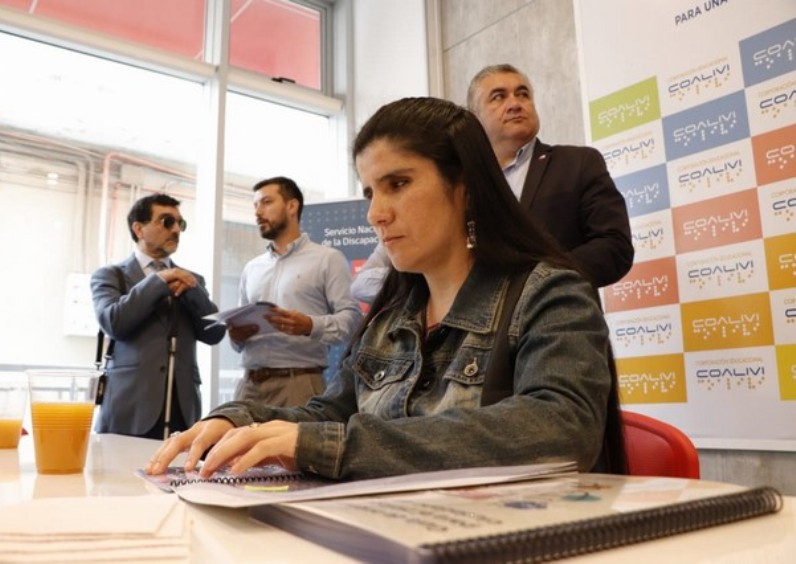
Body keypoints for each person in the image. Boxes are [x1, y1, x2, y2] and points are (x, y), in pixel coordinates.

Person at [146, 97, 626, 481]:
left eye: (398, 183)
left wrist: (327, 446)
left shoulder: (551, 294)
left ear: (467, 187)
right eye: (371, 192)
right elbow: (331, 410)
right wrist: (237, 420)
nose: (377, 213)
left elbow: (562, 428)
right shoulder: (393, 319)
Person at [351, 63, 633, 302]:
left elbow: (614, 247)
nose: (515, 103)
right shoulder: (453, 182)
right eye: (498, 97)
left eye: (523, 94)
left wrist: (528, 283)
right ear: (472, 118)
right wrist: (438, 285)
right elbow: (366, 280)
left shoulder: (577, 163)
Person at [91, 193, 226, 439]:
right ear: (139, 229)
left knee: (178, 476)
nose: (176, 229)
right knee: (121, 477)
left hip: (182, 406)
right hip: (130, 406)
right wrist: (158, 281)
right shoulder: (110, 276)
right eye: (167, 221)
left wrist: (193, 291)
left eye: (180, 223)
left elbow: (214, 333)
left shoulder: (192, 279)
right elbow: (114, 322)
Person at [227, 176, 362, 407]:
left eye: (266, 202)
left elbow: (351, 321)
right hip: (248, 386)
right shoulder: (252, 267)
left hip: (298, 386)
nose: (258, 212)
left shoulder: (327, 259)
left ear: (292, 206)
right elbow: (238, 336)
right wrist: (236, 336)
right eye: (255, 205)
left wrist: (309, 325)